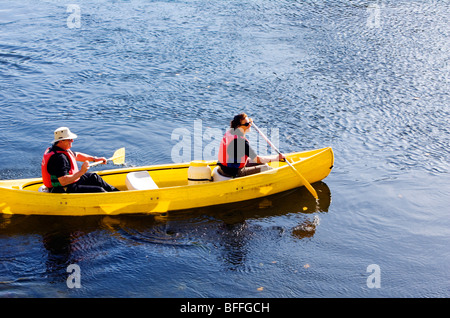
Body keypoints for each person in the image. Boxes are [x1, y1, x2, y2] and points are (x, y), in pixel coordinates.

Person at [41, 127, 119, 193]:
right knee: (99, 190)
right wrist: (82, 171)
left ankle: (117, 193)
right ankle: (113, 199)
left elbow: (77, 155)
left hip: (71, 181)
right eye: (69, 139)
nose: (72, 141)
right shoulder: (59, 158)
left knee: (94, 177)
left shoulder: (58, 149)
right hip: (62, 188)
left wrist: (95, 159)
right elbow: (63, 181)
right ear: (61, 141)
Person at [217, 113, 286, 178]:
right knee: (267, 168)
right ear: (239, 127)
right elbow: (258, 160)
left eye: (249, 123)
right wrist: (277, 158)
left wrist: (248, 122)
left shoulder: (230, 132)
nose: (250, 125)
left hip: (223, 168)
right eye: (247, 124)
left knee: (264, 163)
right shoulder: (241, 142)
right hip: (235, 172)